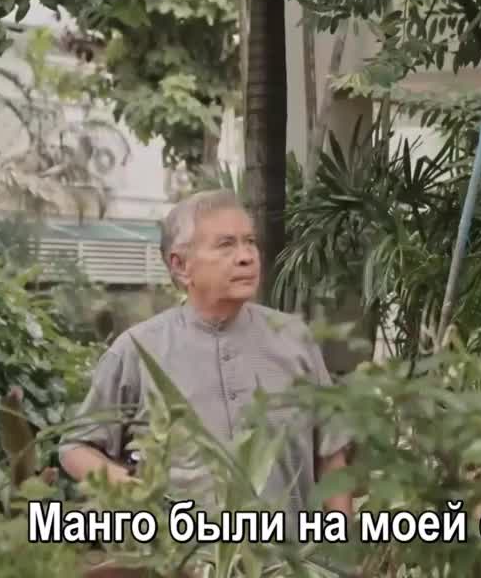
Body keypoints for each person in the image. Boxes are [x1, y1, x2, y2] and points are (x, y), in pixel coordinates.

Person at [59, 189, 354, 522]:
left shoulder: (295, 340)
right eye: (226, 245)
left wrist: (342, 543)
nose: (246, 256)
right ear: (181, 265)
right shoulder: (137, 351)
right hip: (182, 551)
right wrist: (135, 492)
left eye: (250, 242)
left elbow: (331, 456)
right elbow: (76, 449)